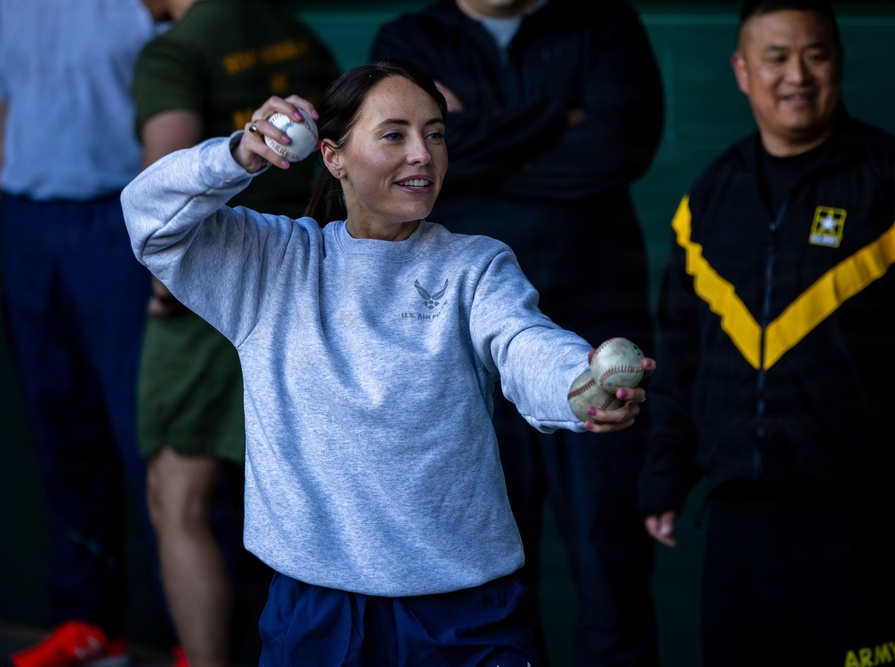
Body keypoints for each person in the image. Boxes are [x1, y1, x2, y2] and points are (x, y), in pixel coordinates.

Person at [121, 61, 655, 666]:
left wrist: (575, 383)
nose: (423, 155)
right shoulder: (272, 263)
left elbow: (523, 341)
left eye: (434, 134)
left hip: (465, 609)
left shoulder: (474, 266)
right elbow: (147, 217)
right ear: (333, 156)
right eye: (394, 134)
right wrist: (238, 155)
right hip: (315, 610)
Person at [639, 2, 895, 666]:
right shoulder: (707, 200)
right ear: (743, 71)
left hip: (861, 512)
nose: (796, 75)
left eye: (816, 55)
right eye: (775, 57)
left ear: (838, 62)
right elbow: (681, 350)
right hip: (739, 515)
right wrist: (665, 475)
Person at [370, 2, 664, 663]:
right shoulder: (408, 39)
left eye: (436, 128)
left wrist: (473, 138)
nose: (435, 144)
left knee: (613, 581)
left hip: (594, 340)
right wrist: (557, 117)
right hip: (462, 355)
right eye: (435, 131)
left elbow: (619, 147)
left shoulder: (603, 23)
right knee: (485, 583)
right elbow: (412, 174)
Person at [129, 2, 339, 666]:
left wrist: (167, 289)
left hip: (210, 297)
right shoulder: (293, 31)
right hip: (302, 282)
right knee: (300, 498)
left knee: (178, 499)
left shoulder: (173, 51)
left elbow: (168, 192)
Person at [0, 2, 174, 666]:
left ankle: (200, 635)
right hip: (29, 222)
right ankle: (91, 624)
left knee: (151, 441)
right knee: (58, 427)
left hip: (119, 224)